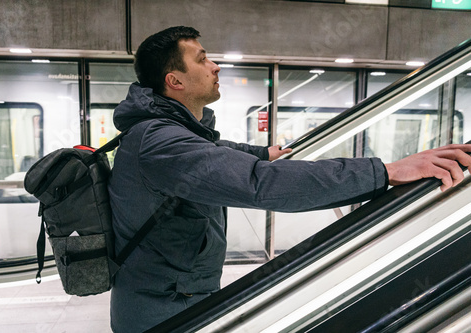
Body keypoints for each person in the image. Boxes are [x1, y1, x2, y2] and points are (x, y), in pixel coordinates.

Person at [108, 26, 471, 332]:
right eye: (202, 59)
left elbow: (216, 152)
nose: (215, 66)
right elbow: (259, 184)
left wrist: (263, 152)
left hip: (174, 293)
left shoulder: (167, 130)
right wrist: (385, 172)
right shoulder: (159, 141)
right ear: (175, 80)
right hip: (162, 310)